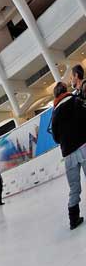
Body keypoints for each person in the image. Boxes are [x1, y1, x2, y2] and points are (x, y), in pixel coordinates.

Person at [51, 81, 86, 229]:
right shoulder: (75, 101)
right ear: (65, 90)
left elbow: (55, 137)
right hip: (83, 146)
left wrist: (65, 141)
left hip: (68, 154)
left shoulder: (55, 113)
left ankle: (73, 219)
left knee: (74, 187)